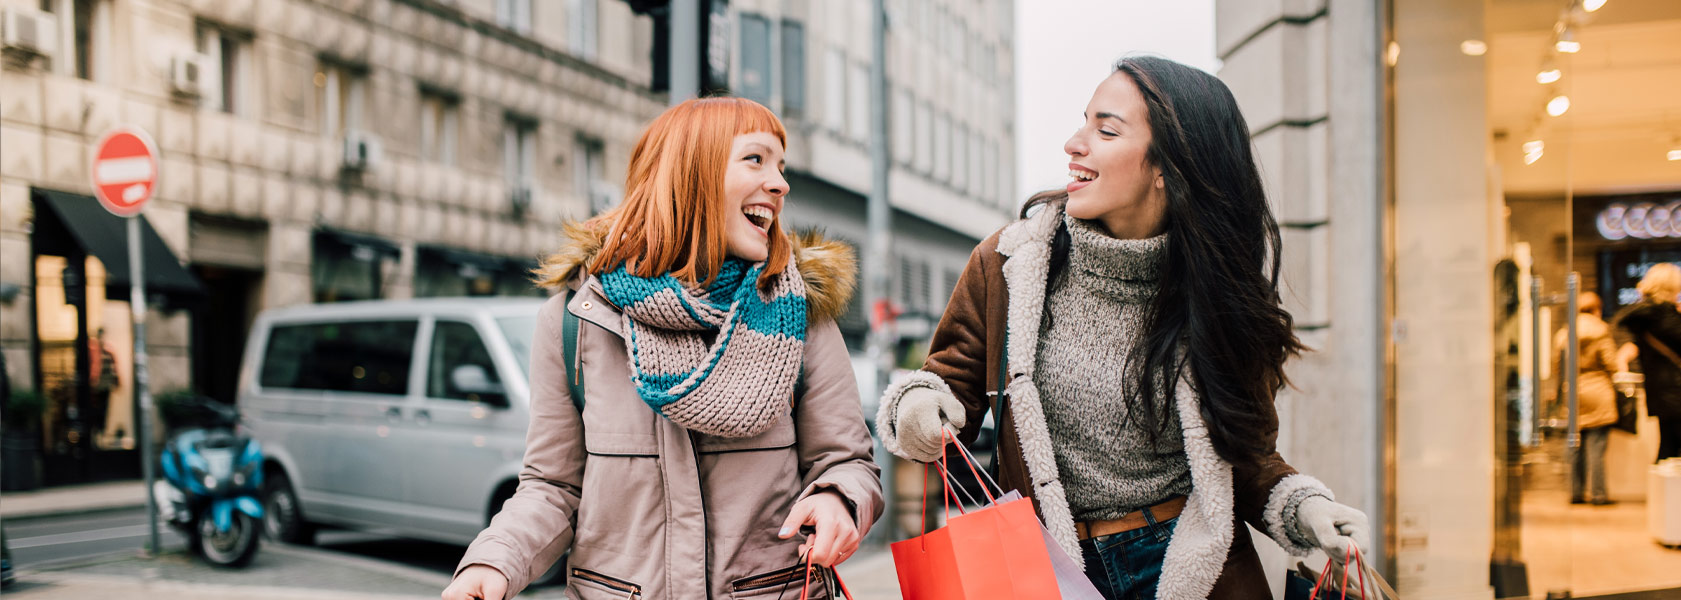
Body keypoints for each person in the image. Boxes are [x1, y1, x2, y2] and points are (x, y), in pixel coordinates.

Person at [876, 56, 1370, 600]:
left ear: (1167, 168)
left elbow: (1247, 457)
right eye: (1083, 121)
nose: (1074, 142)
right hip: (1048, 570)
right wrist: (920, 407)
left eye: (1105, 129)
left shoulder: (1216, 290)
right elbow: (945, 382)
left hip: (1190, 569)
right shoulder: (1009, 264)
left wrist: (1309, 509)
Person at [442, 97, 882, 600]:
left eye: (781, 166)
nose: (780, 184)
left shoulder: (799, 316)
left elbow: (846, 462)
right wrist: (494, 563)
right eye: (756, 159)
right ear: (690, 174)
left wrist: (837, 500)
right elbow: (553, 487)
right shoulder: (577, 321)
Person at [1614, 263, 1681, 461]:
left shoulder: (1649, 316)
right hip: (1680, 393)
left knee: (1670, 451)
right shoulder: (1662, 317)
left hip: (1665, 393)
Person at [1553, 292, 1619, 504]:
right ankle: (1599, 494)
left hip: (1573, 393)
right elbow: (1612, 364)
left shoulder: (1564, 334)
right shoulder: (1601, 331)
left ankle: (1575, 492)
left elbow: (1557, 367)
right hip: (1598, 391)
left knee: (1573, 446)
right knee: (1596, 448)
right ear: (1597, 309)